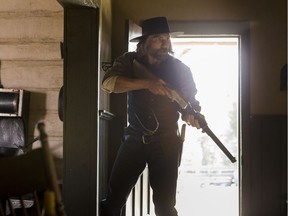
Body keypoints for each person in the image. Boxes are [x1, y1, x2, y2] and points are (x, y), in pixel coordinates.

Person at [101, 16, 202, 216]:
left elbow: (189, 104)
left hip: (166, 143)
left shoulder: (180, 69)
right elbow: (109, 83)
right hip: (134, 140)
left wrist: (193, 116)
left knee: (165, 207)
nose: (165, 43)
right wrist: (146, 83)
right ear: (145, 42)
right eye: (158, 38)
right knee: (113, 200)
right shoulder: (129, 61)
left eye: (167, 38)